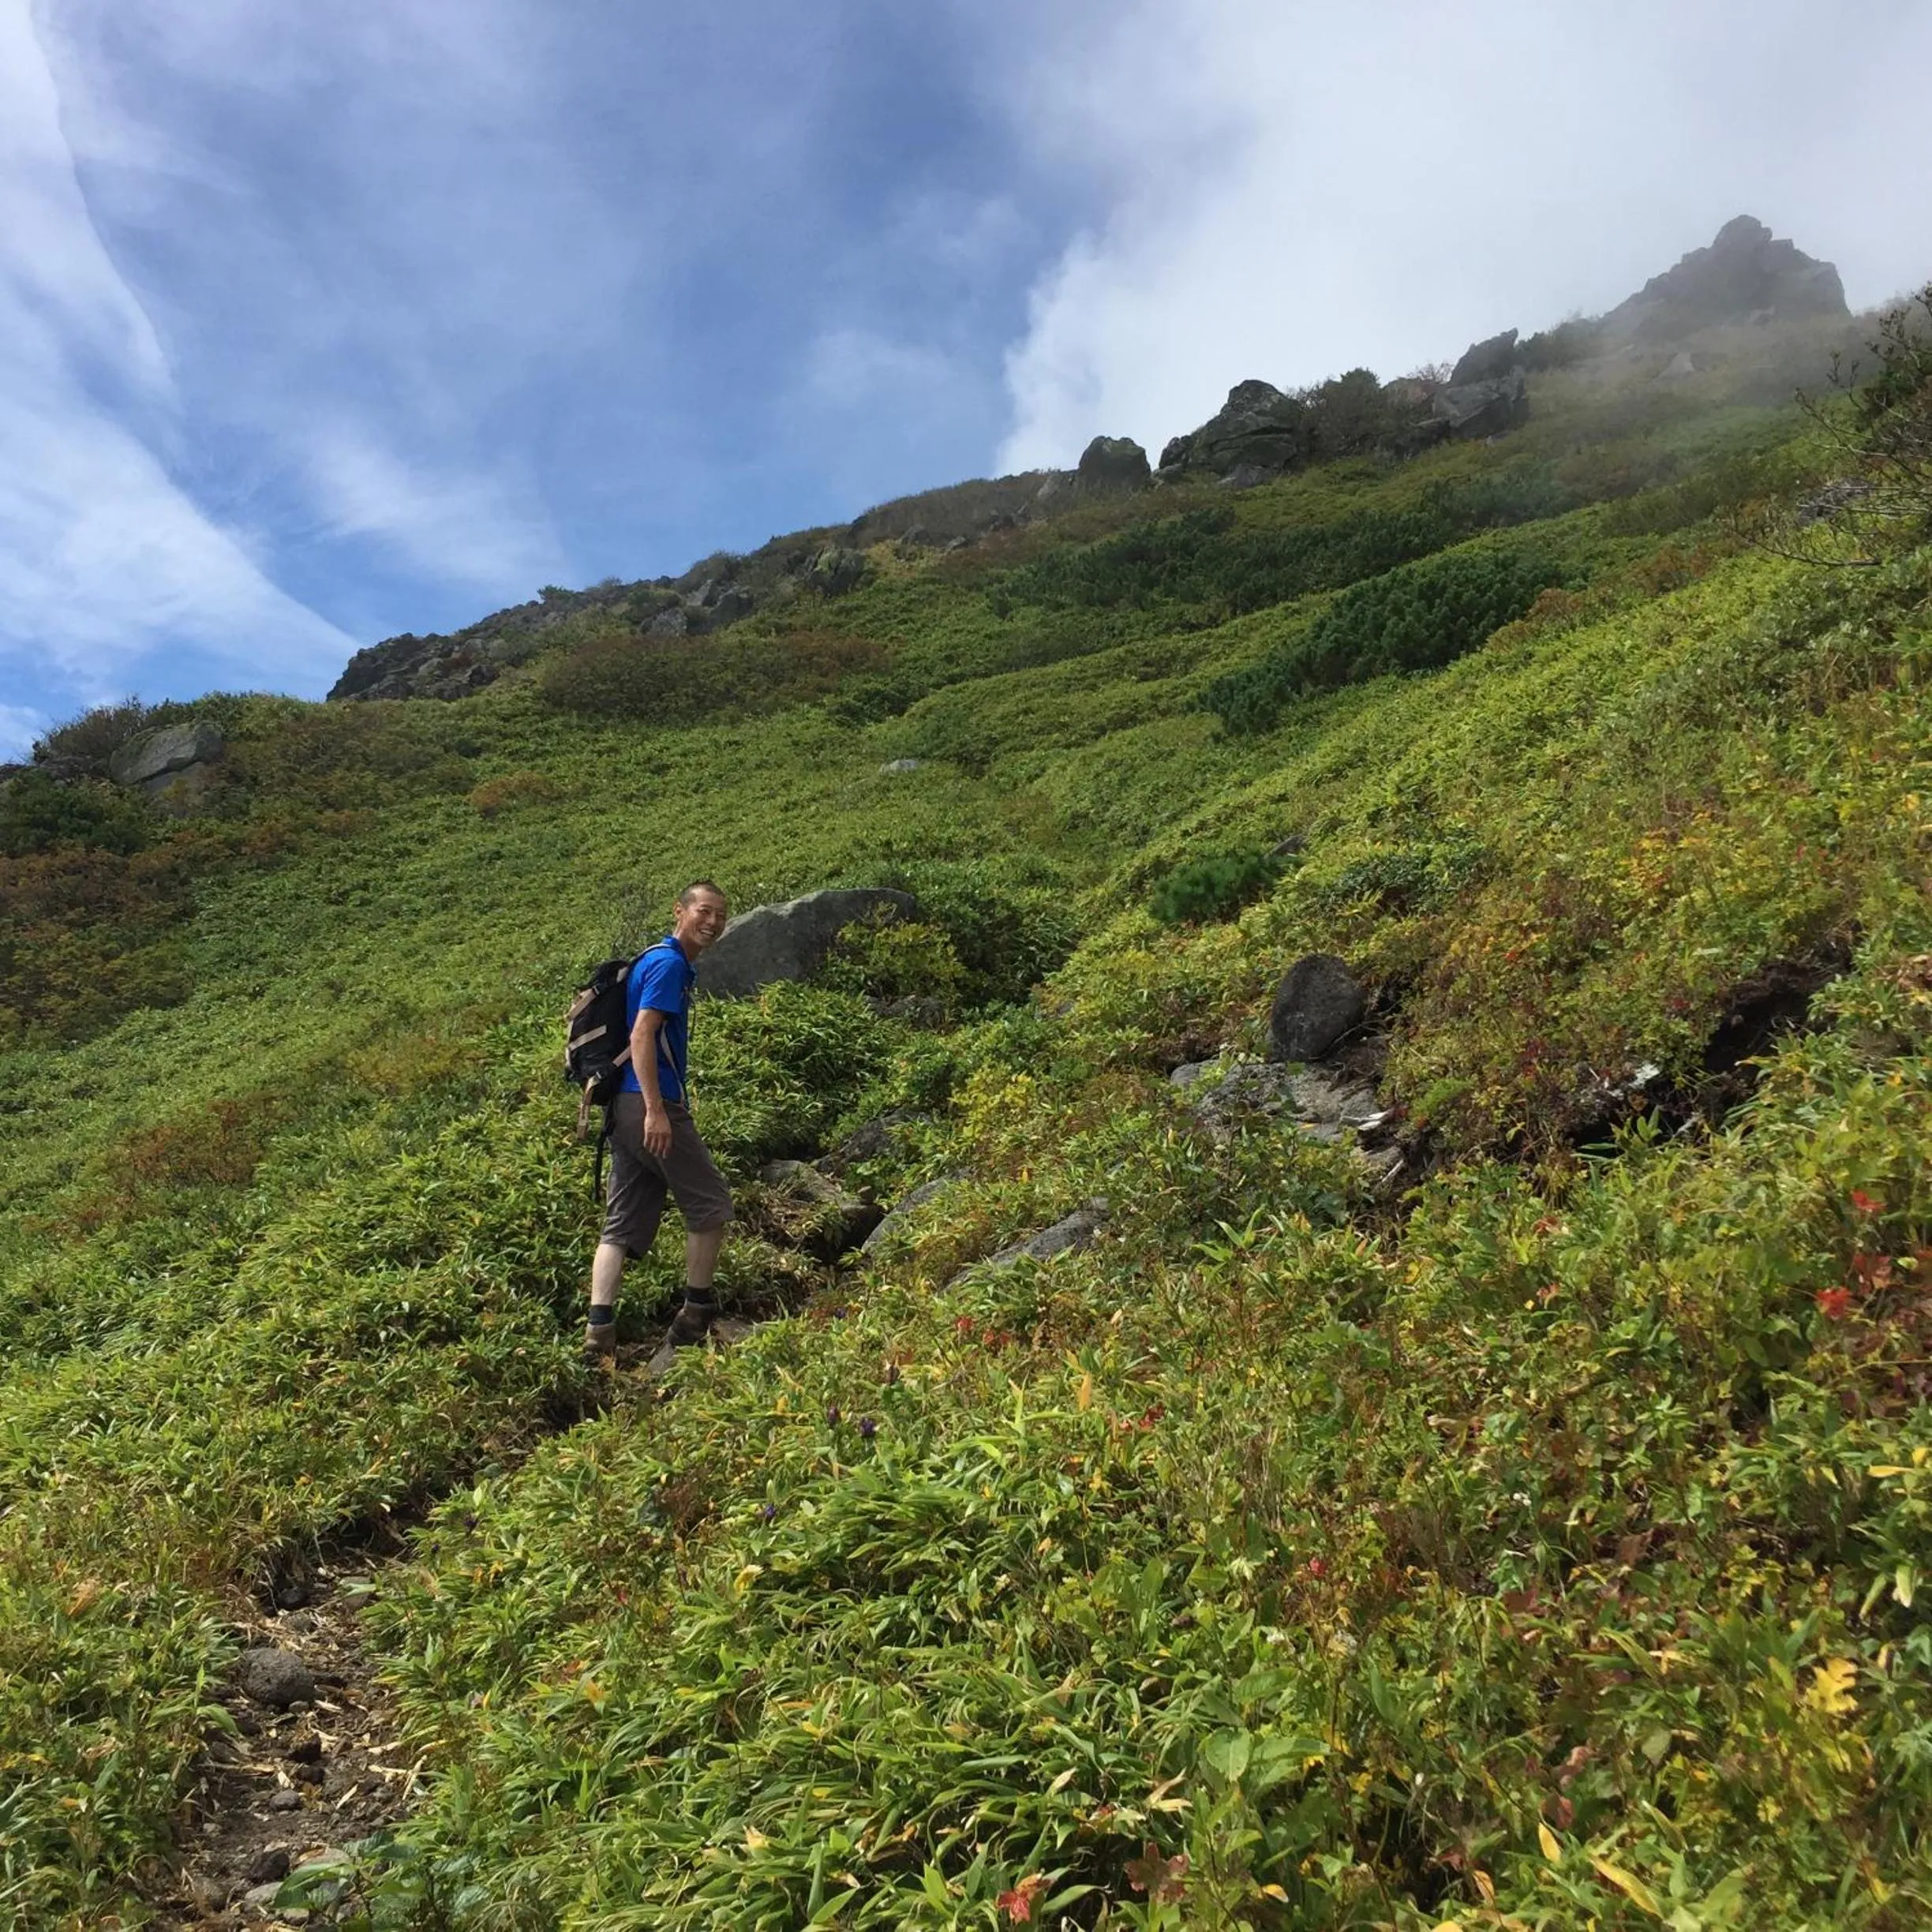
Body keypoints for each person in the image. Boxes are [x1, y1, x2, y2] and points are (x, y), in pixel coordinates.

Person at [583, 880, 734, 1366]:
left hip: (620, 1111)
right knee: (711, 1204)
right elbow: (643, 1035)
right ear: (681, 911)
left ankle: (598, 1330)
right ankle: (696, 1312)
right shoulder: (669, 964)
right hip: (649, 1104)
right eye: (704, 912)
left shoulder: (655, 959)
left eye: (720, 916)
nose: (712, 923)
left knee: (621, 1221)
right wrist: (656, 1110)